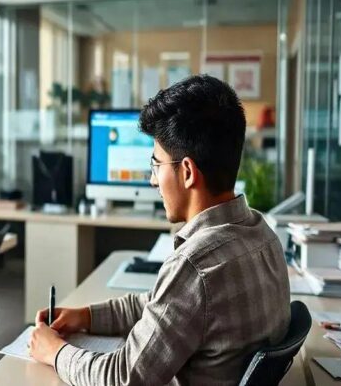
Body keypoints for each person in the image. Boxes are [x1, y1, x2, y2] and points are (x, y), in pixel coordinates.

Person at [29, 75, 290, 385]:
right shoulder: (262, 233)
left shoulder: (195, 268)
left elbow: (123, 378)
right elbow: (162, 306)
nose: (153, 180)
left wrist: (55, 352)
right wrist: (85, 316)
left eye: (156, 164)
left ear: (189, 172)